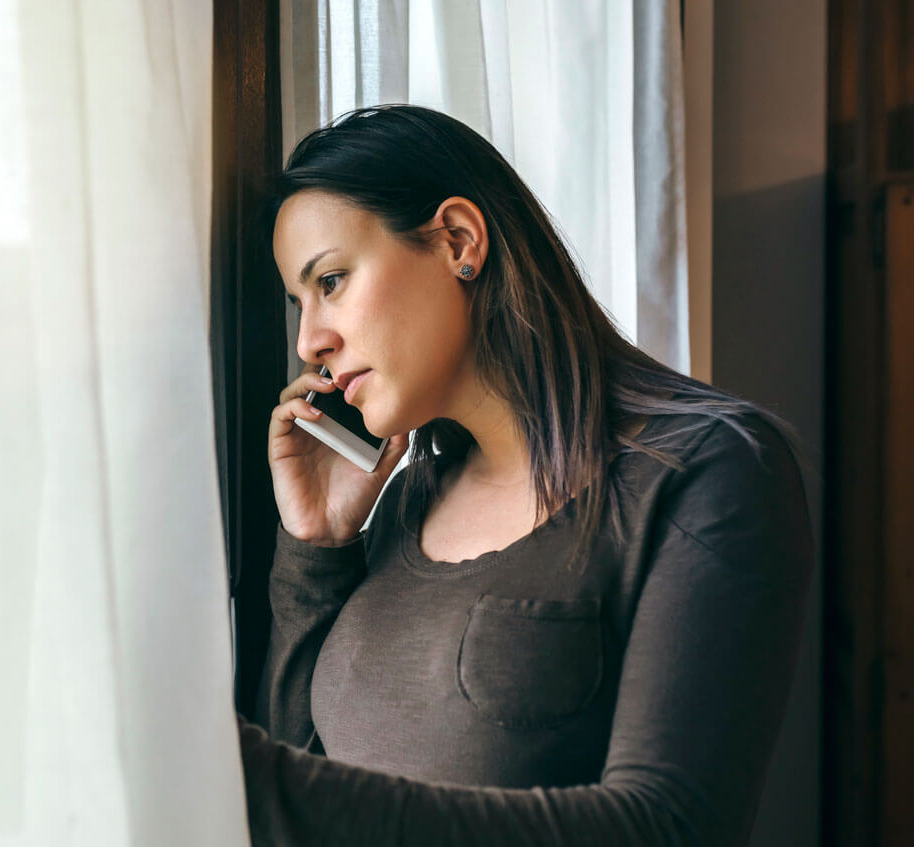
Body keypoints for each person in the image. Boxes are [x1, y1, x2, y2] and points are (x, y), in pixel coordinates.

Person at [236, 104, 814, 846]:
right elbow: (291, 787)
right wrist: (316, 548)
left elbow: (670, 826)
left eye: (334, 280)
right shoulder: (408, 500)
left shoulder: (709, 469)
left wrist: (262, 783)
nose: (311, 340)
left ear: (458, 240)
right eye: (300, 302)